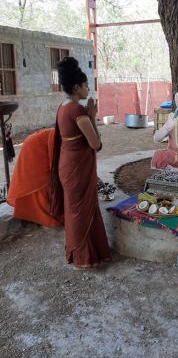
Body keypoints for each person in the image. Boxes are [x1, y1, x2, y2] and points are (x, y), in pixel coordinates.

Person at [50, 57, 111, 270]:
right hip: (77, 170)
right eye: (86, 86)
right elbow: (96, 144)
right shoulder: (77, 111)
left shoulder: (62, 107)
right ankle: (82, 257)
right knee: (79, 212)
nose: (88, 90)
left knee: (76, 209)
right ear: (76, 87)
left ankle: (90, 252)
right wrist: (92, 116)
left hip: (67, 166)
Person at [7, 128, 62, 228]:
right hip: (33, 149)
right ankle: (40, 216)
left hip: (32, 145)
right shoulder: (57, 135)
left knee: (36, 181)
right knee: (38, 180)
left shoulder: (58, 133)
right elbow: (53, 161)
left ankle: (31, 215)